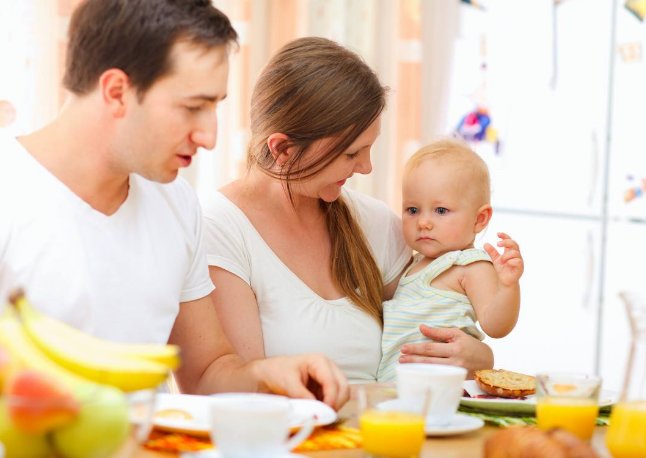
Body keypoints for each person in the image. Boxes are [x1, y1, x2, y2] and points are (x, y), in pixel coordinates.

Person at [0, 0, 348, 408]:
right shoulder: (12, 192)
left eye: (215, 106)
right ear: (116, 92)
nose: (210, 136)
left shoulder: (176, 204)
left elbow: (205, 372)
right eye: (193, 107)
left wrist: (267, 376)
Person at [201, 37, 495, 383]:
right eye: (351, 154)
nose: (366, 167)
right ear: (282, 149)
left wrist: (478, 357)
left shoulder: (376, 223)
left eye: (369, 149)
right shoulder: (219, 229)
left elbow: (434, 324)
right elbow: (232, 389)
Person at [377, 139, 524, 382]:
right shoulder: (412, 265)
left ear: (480, 219)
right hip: (396, 387)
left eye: (441, 210)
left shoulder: (469, 265)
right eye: (413, 210)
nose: (423, 222)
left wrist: (509, 287)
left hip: (440, 389)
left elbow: (496, 326)